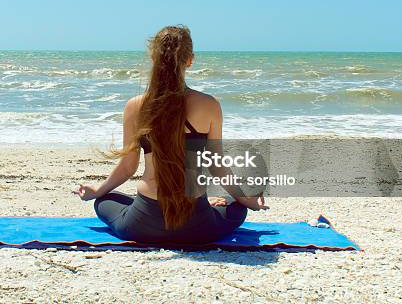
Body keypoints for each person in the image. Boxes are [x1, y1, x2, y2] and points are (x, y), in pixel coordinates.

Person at [73, 25, 268, 244]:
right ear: (190, 60)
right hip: (198, 225)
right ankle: (214, 203)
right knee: (237, 208)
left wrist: (98, 190)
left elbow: (128, 167)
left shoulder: (135, 106)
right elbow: (217, 167)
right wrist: (246, 200)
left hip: (144, 224)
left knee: (104, 201)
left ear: (154, 58)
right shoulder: (209, 105)